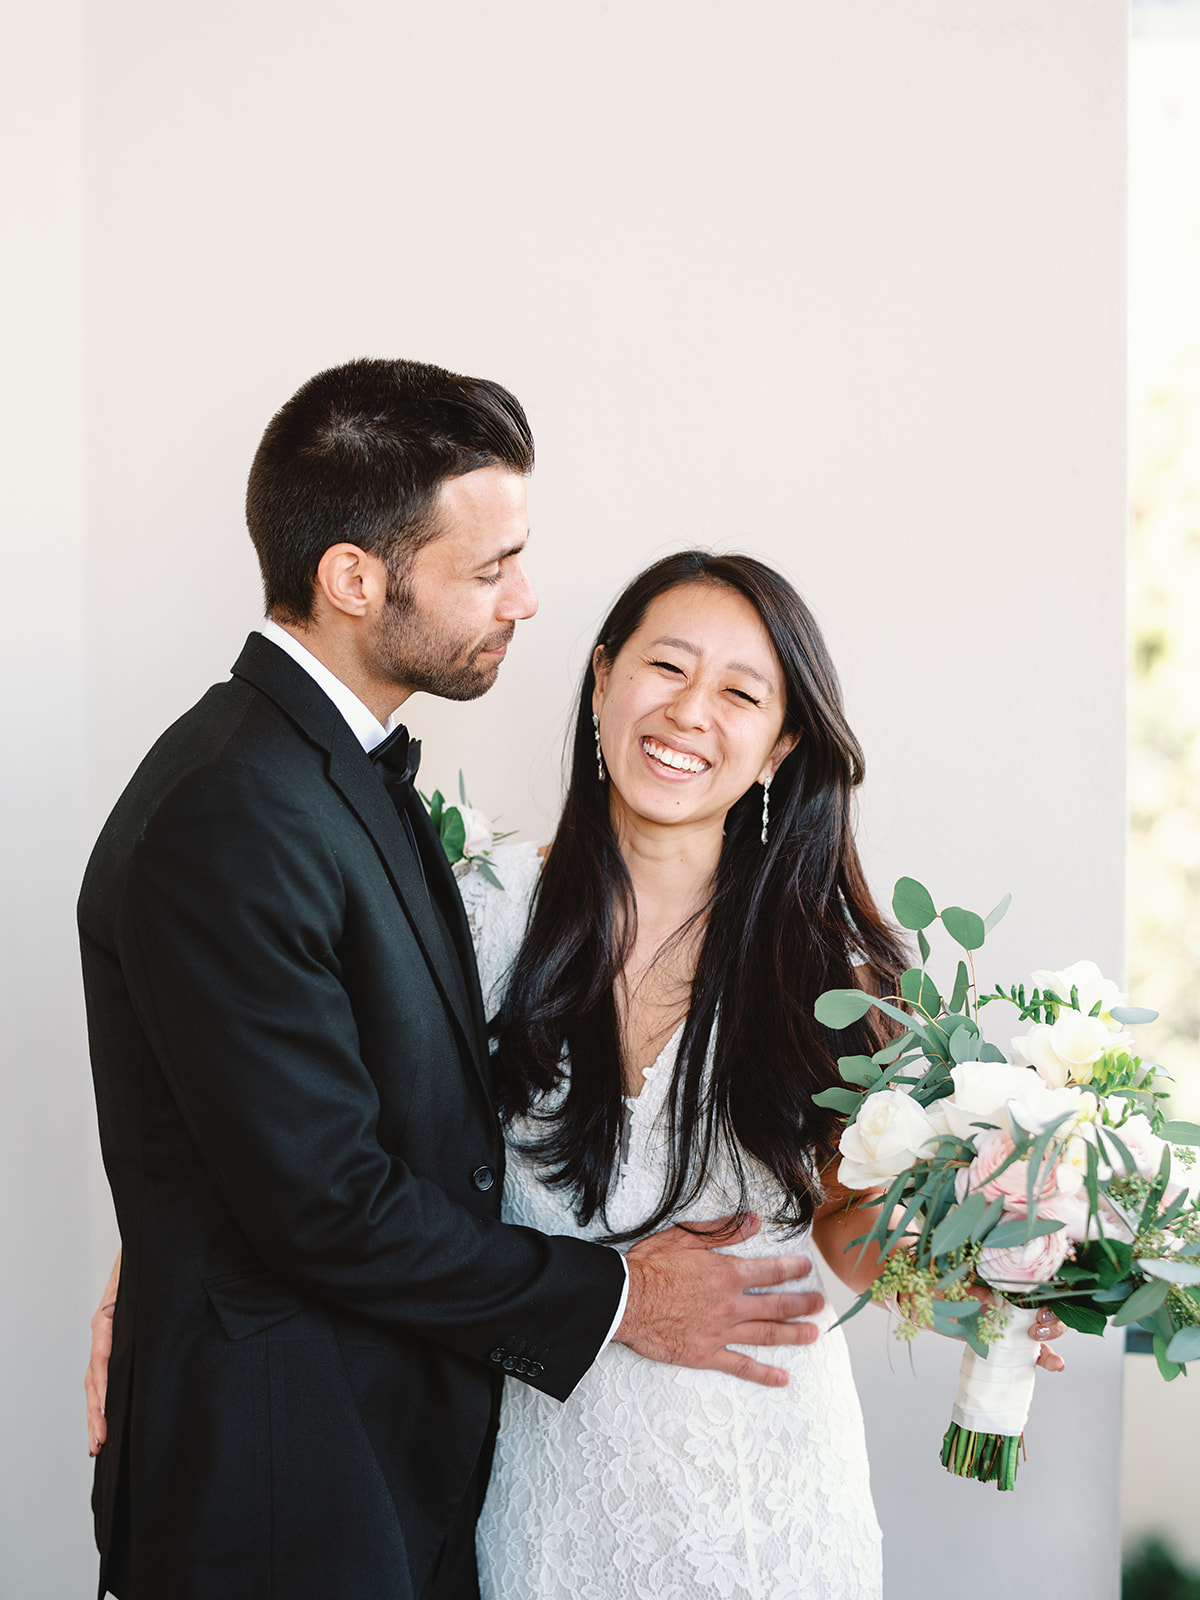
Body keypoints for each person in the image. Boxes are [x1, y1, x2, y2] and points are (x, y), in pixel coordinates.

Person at [79, 362, 827, 1600]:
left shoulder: (327, 778)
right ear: (355, 578)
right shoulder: (232, 810)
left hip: (392, 1464)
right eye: (491, 568)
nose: (527, 600)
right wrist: (621, 1297)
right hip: (279, 1491)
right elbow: (323, 1201)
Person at [450, 551, 1067, 1599]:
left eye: (740, 692)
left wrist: (969, 1265)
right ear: (602, 679)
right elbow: (333, 1149)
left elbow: (847, 1220)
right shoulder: (473, 914)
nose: (691, 712)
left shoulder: (829, 967)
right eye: (666, 667)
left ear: (782, 744)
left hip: (765, 1505)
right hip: (550, 1491)